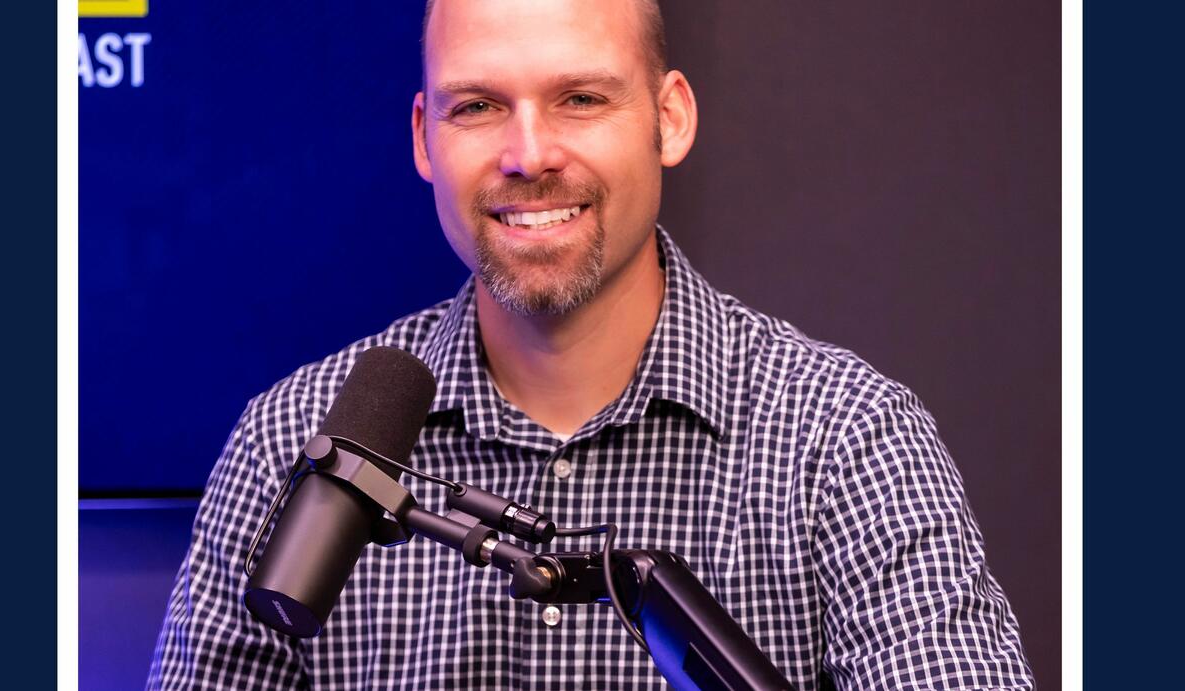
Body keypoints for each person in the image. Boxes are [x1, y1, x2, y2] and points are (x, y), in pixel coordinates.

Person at [149, 0, 1035, 688]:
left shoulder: (846, 441)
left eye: (580, 98)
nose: (529, 154)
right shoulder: (293, 440)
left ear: (669, 118)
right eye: (478, 106)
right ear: (424, 138)